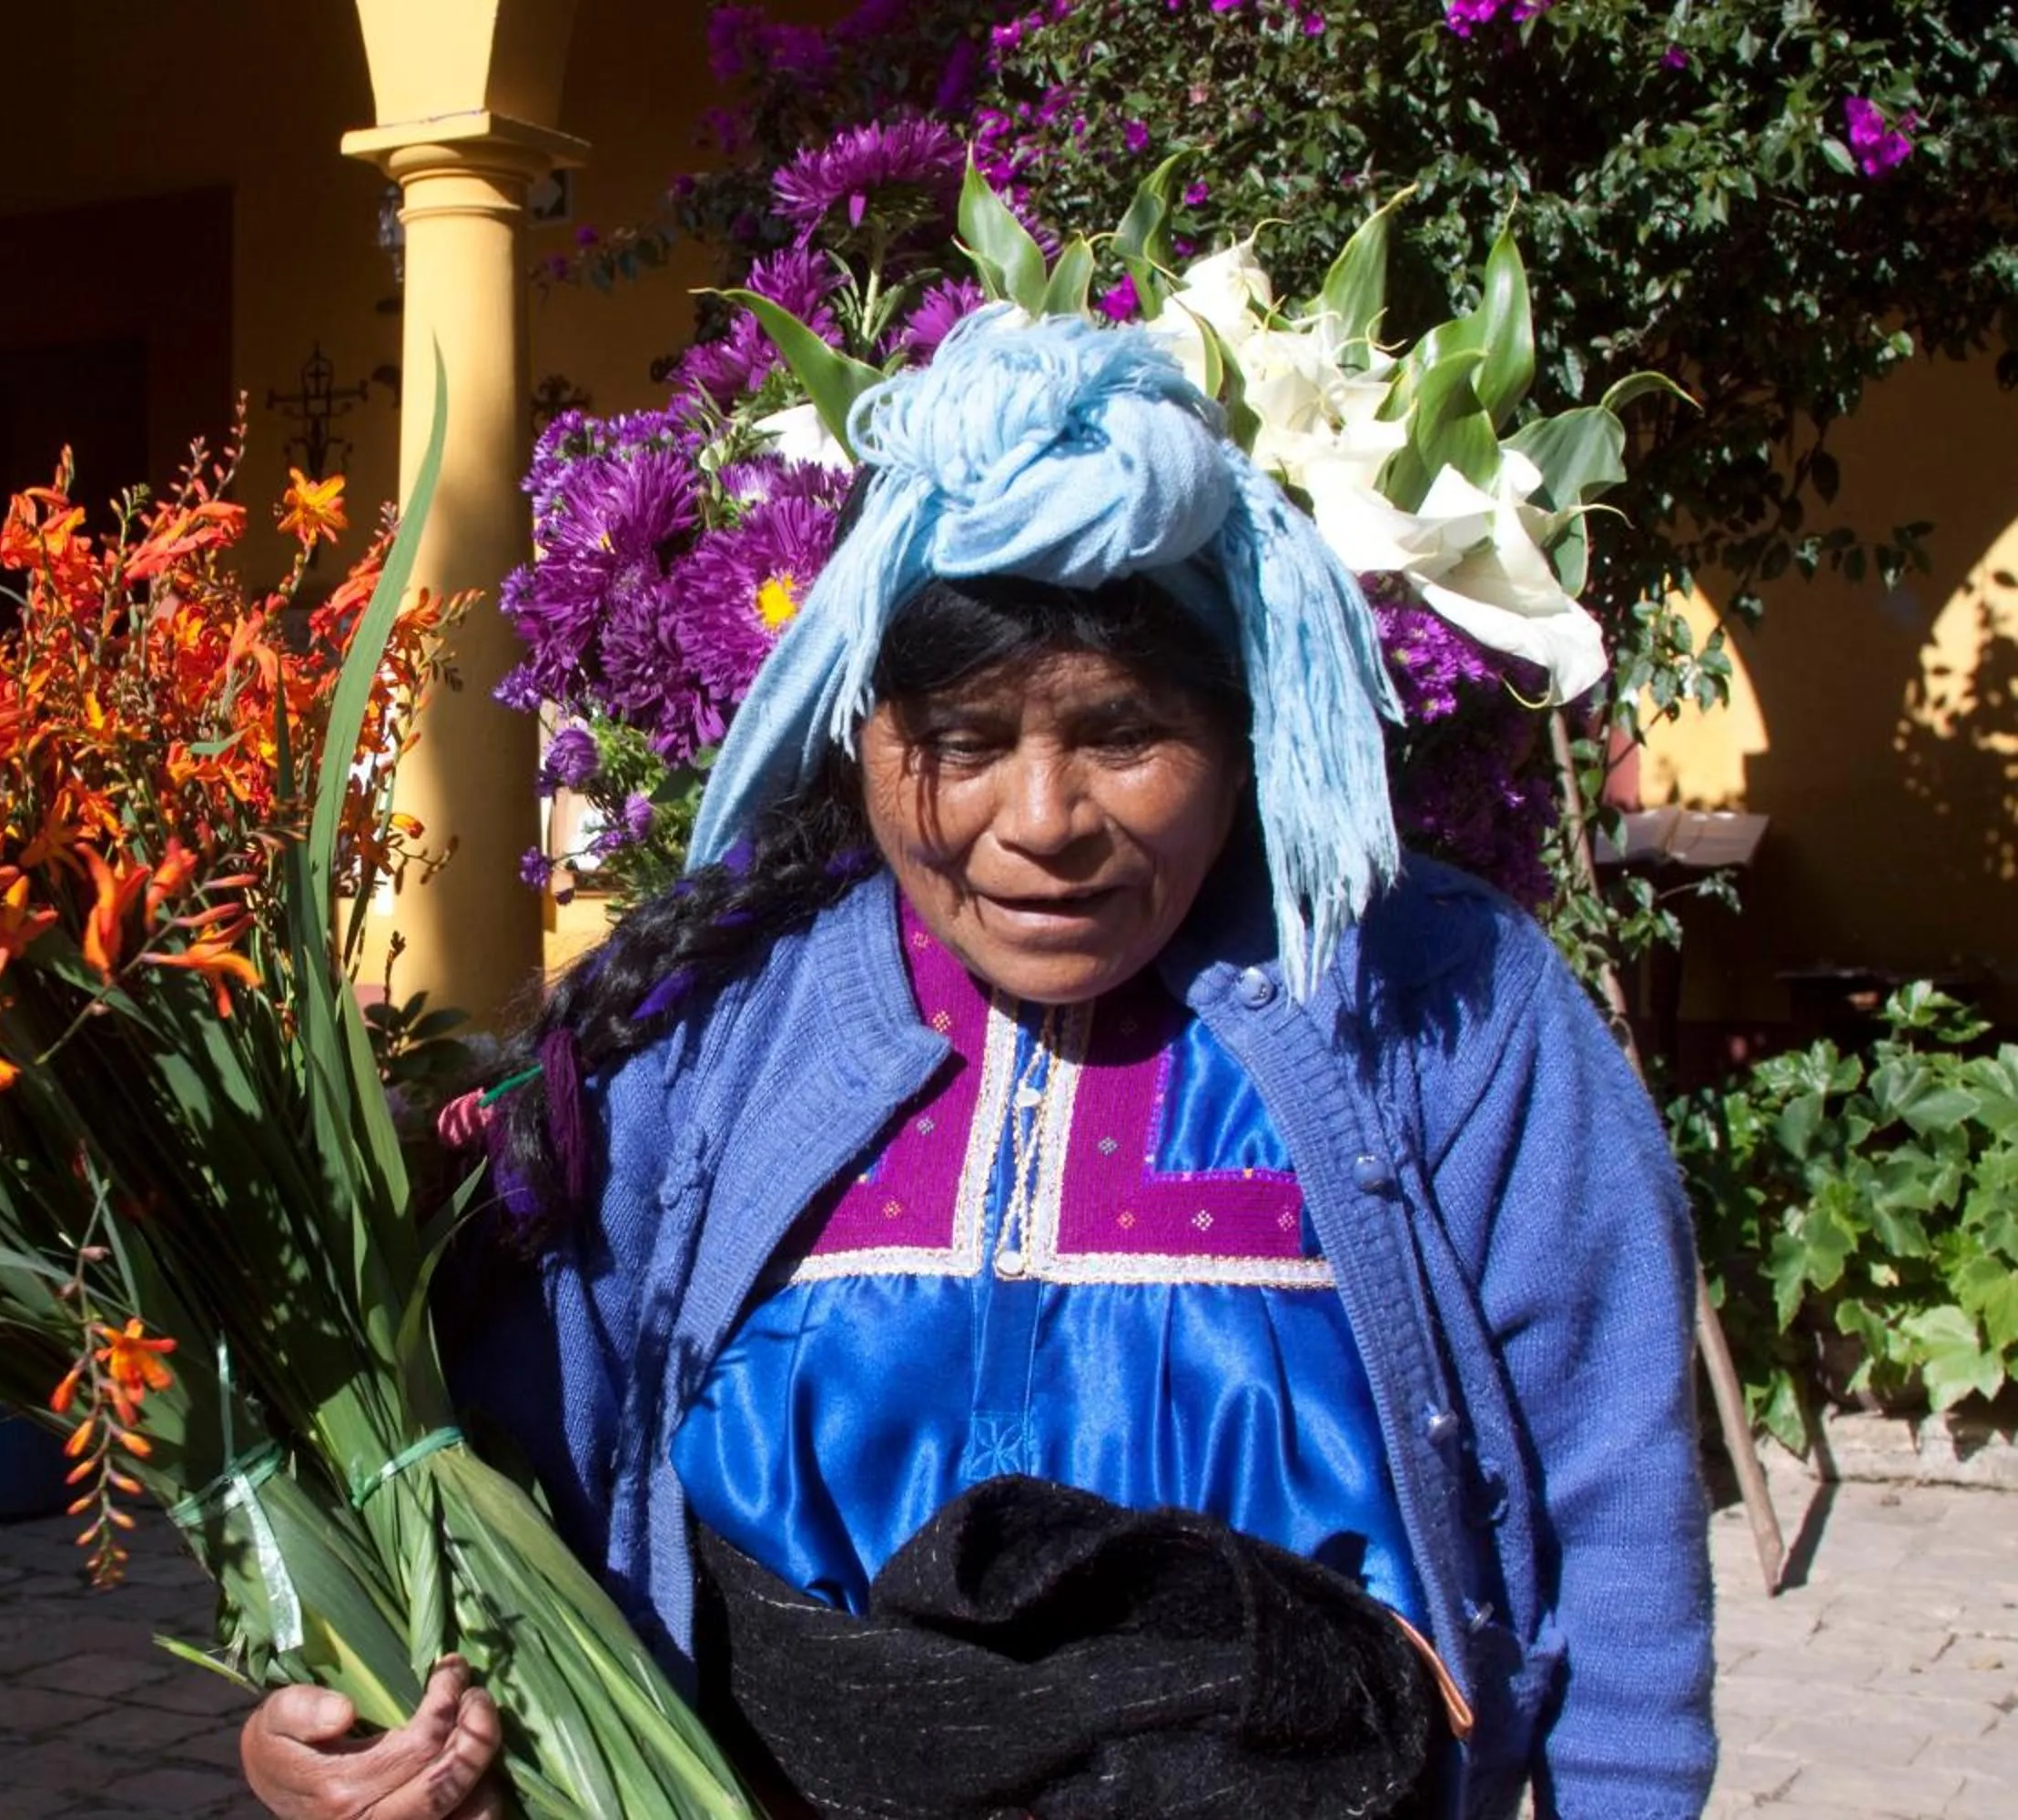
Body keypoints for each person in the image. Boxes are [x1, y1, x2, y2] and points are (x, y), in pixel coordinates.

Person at [243, 309, 1716, 1818]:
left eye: (1126, 732)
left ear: (1247, 723)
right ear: (860, 726)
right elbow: (504, 1504)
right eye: (956, 734)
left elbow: (1617, 1527)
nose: (1041, 819)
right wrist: (360, 1719)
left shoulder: (1440, 1013)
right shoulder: (715, 1044)